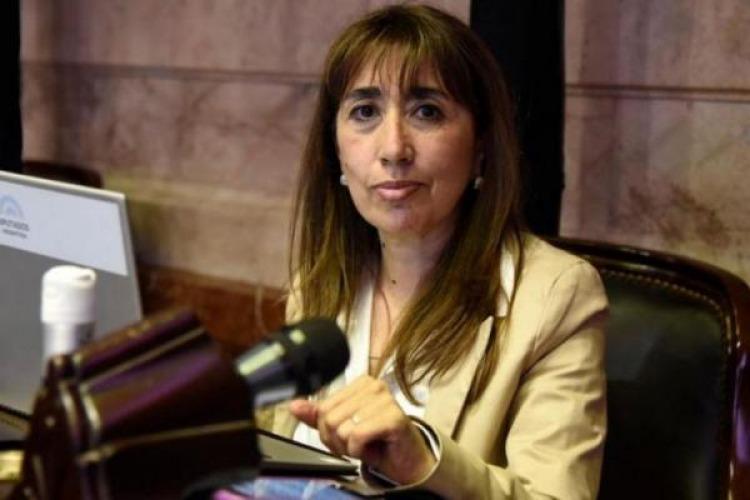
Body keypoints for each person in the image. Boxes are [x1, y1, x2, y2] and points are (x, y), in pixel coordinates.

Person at [262, 5, 608, 499]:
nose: (394, 149)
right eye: (365, 112)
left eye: (427, 111)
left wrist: (423, 460)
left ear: (481, 147)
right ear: (336, 151)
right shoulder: (317, 283)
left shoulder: (554, 296)